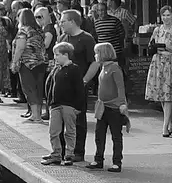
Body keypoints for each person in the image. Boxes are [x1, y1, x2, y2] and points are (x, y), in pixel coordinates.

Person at [59, 10, 97, 162]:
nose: (60, 24)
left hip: (79, 86)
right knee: (61, 118)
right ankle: (63, 150)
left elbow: (95, 62)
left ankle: (78, 151)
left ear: (72, 21)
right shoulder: (63, 38)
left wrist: (85, 80)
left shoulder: (87, 39)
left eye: (63, 21)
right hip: (62, 85)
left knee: (78, 119)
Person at [146, 3, 172, 137]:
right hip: (158, 62)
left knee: (168, 95)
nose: (166, 18)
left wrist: (167, 46)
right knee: (161, 96)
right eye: (163, 15)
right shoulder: (157, 30)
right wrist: (153, 47)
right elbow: (151, 46)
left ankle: (164, 127)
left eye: (168, 15)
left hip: (171, 64)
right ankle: (170, 123)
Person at [86, 41, 128, 172]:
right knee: (99, 134)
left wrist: (122, 104)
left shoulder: (114, 68)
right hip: (102, 106)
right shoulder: (103, 68)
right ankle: (98, 159)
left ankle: (117, 161)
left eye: (97, 53)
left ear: (103, 54)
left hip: (114, 106)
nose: (95, 56)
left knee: (116, 135)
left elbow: (120, 87)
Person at [42, 43, 83, 166]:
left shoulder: (74, 69)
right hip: (55, 104)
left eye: (57, 55)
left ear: (66, 55)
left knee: (69, 130)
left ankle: (69, 154)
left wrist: (79, 107)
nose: (55, 57)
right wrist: (49, 103)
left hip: (69, 104)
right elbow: (49, 85)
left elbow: (79, 89)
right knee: (53, 130)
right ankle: (56, 153)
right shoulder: (56, 69)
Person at [11, 7, 49, 123]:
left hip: (27, 63)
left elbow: (20, 47)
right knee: (38, 88)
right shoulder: (39, 30)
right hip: (41, 62)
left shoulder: (23, 30)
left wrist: (14, 61)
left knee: (29, 88)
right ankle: (36, 114)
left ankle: (36, 116)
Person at [88, 0, 127, 75]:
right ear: (97, 12)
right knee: (105, 74)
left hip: (115, 52)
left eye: (103, 10)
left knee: (118, 72)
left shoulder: (115, 20)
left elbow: (122, 34)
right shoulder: (96, 23)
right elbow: (95, 36)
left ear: (106, 10)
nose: (102, 12)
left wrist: (119, 46)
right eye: (99, 10)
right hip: (102, 54)